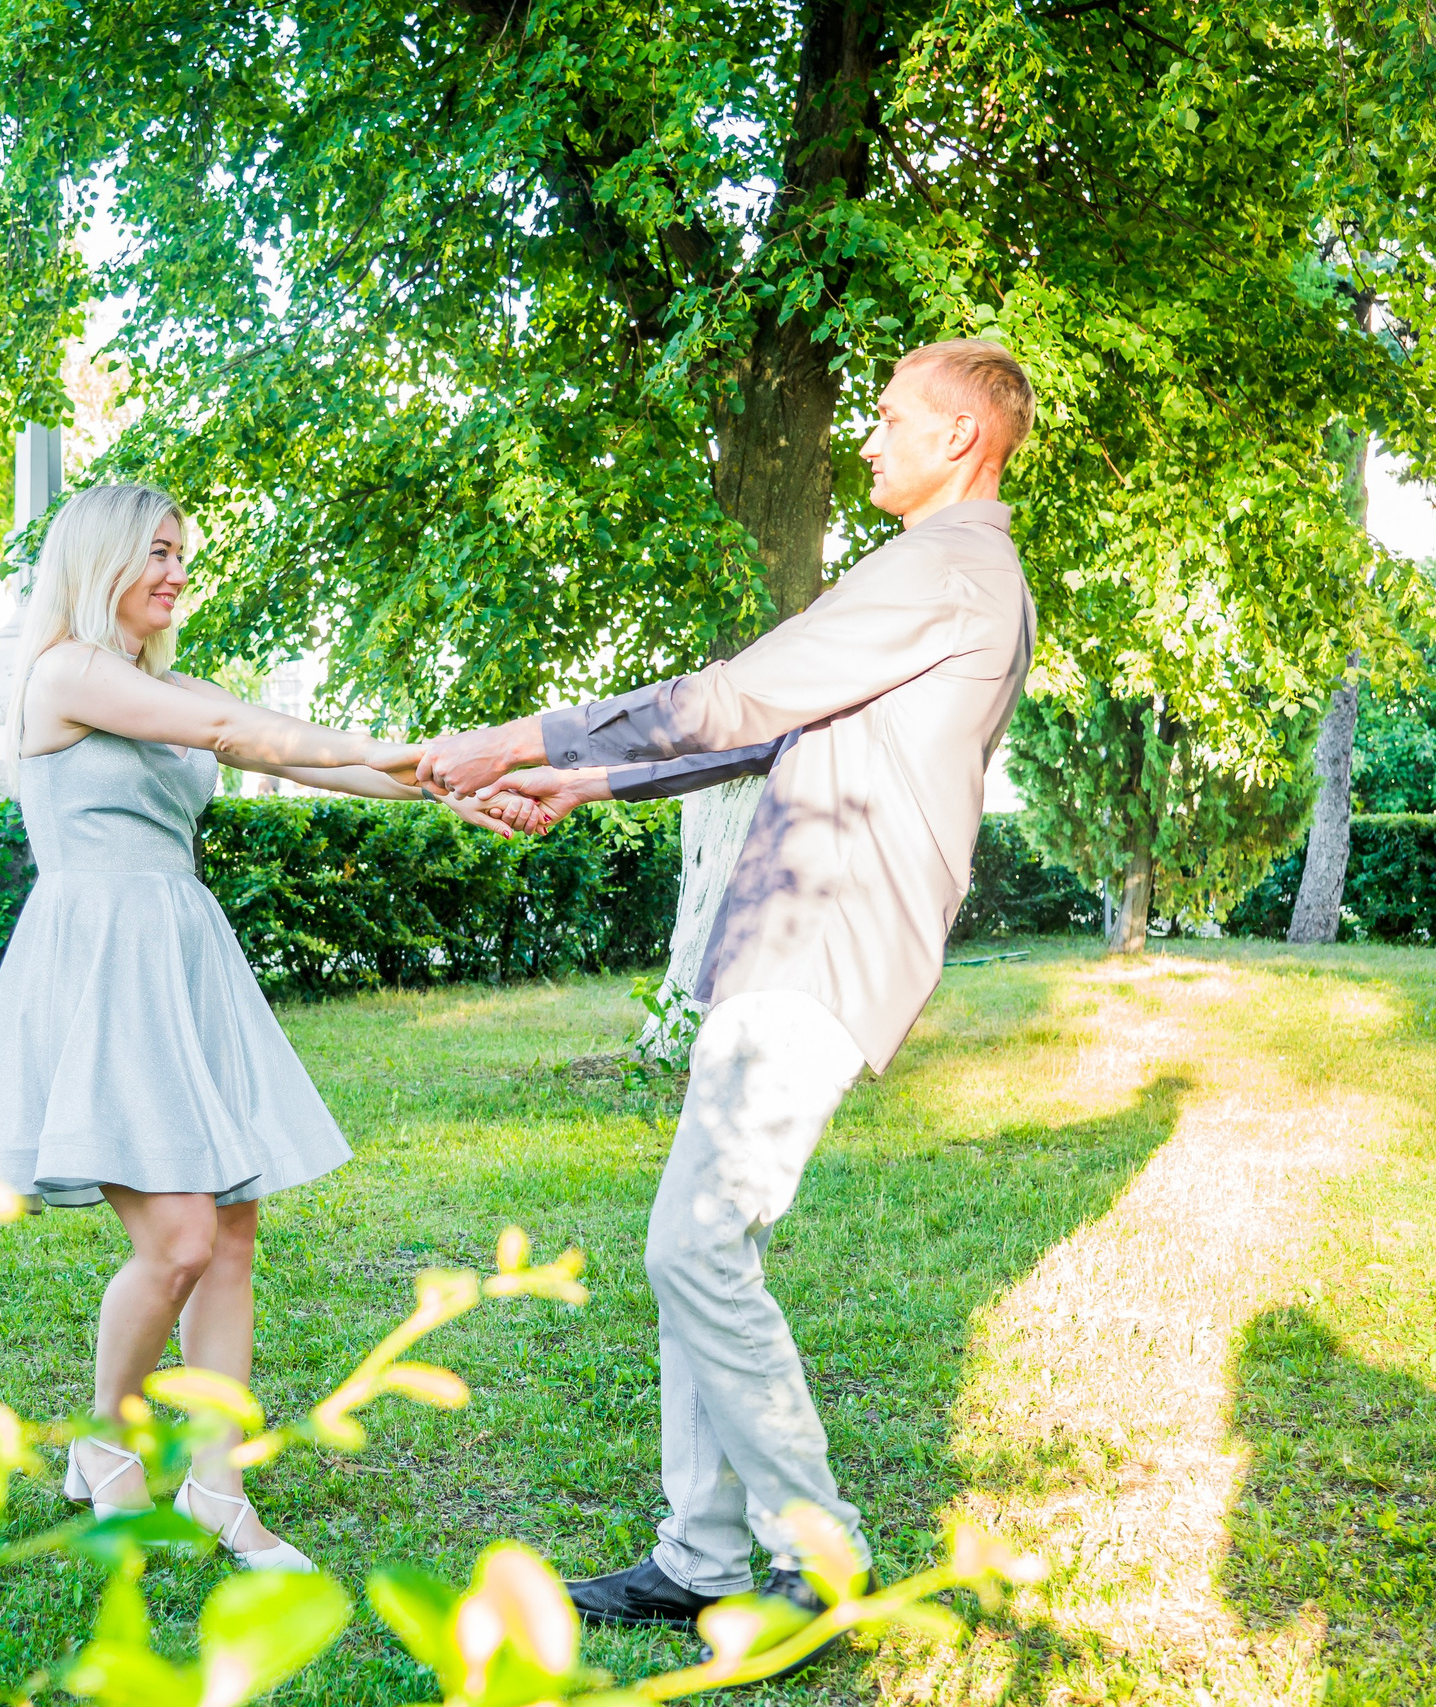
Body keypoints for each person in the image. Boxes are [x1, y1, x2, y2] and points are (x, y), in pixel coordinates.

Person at [420, 340, 1039, 1643]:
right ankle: (699, 1550)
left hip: (828, 936)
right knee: (699, 1245)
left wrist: (528, 737)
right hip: (792, 932)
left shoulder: (950, 566)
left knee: (694, 1243)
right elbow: (773, 727)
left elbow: (737, 690)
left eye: (889, 418)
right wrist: (584, 783)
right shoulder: (936, 572)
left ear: (961, 440)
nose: (864, 437)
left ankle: (818, 1553)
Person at [0, 482, 510, 1572]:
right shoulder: (67, 672)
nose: (175, 571)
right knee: (179, 1239)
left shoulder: (155, 683)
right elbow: (245, 730)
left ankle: (216, 1488)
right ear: (98, 560)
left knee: (232, 1231)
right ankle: (103, 1438)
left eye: (181, 553)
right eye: (154, 552)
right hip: (102, 956)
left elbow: (294, 757)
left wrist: (441, 780)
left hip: (180, 947)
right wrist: (413, 746)